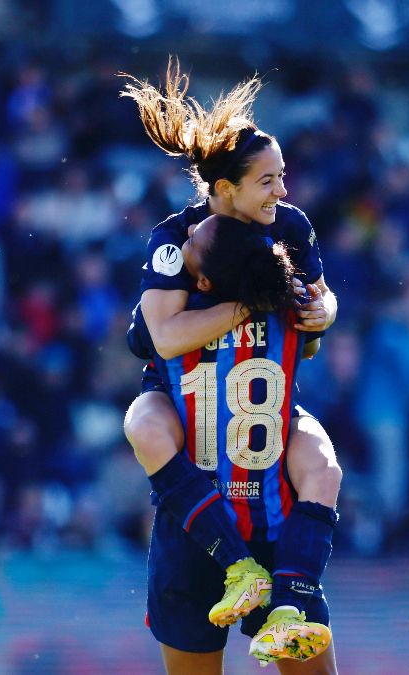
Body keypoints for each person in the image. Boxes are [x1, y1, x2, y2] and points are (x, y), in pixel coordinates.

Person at [120, 60, 340, 672]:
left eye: (282, 177)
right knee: (144, 419)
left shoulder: (291, 229)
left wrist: (324, 312)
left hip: (262, 433)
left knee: (323, 466)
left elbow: (323, 306)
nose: (282, 192)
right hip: (196, 440)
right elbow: (162, 339)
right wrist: (253, 304)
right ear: (224, 189)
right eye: (267, 180)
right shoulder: (176, 240)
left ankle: (288, 595)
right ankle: (240, 567)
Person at [145, 214, 334, 673]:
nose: (185, 234)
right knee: (323, 466)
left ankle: (241, 569)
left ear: (205, 280)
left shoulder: (168, 318)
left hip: (192, 529)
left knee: (142, 425)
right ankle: (289, 598)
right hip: (276, 524)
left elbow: (152, 340)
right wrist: (323, 308)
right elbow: (315, 327)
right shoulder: (290, 309)